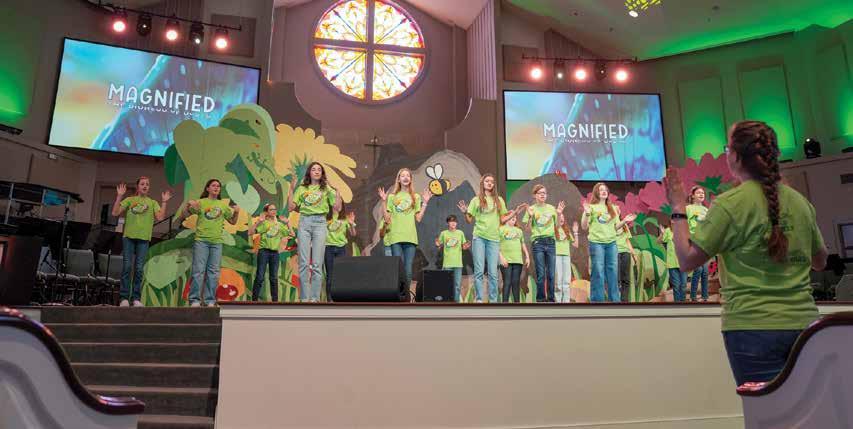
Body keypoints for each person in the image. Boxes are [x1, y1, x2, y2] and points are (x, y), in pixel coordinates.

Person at [665, 120, 828, 386]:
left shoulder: (730, 204)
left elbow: (686, 259)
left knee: (763, 409)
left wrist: (677, 206)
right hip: (806, 327)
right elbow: (820, 261)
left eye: (727, 148)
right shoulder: (800, 203)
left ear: (736, 156)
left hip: (752, 328)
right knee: (808, 409)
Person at [457, 174, 524, 303]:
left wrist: (515, 213)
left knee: (493, 272)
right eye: (487, 181)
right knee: (479, 271)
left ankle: (493, 301)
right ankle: (479, 299)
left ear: (494, 185)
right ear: (482, 183)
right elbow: (469, 220)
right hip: (479, 238)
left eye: (492, 182)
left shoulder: (499, 200)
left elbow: (502, 219)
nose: (489, 183)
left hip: (494, 239)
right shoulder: (476, 200)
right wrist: (465, 212)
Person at [112, 177, 171, 307]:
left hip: (144, 239)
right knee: (127, 267)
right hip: (129, 237)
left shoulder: (152, 202)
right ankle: (124, 298)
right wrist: (119, 196)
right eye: (142, 184)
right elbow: (115, 212)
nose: (145, 186)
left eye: (147, 184)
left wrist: (164, 202)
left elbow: (160, 217)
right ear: (137, 186)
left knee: (139, 269)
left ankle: (136, 298)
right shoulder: (130, 200)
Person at [288, 162, 341, 302]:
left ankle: (314, 299)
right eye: (313, 169)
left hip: (320, 223)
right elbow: (290, 207)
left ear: (322, 173)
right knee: (304, 263)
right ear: (309, 173)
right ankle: (304, 298)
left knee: (317, 264)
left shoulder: (326, 188)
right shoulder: (302, 188)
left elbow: (337, 208)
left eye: (319, 170)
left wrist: (336, 191)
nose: (316, 171)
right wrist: (291, 189)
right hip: (304, 222)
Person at [187, 179, 240, 307]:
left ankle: (210, 300)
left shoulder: (222, 205)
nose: (216, 188)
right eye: (213, 185)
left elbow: (233, 221)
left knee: (214, 273)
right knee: (198, 271)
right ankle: (194, 300)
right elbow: (186, 213)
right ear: (208, 188)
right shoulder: (201, 202)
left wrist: (237, 212)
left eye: (218, 186)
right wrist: (188, 205)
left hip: (216, 243)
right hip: (201, 241)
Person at [581, 183, 636, 302]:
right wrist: (587, 213)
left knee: (613, 272)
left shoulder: (613, 208)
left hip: (611, 243)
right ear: (596, 192)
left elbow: (615, 227)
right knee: (598, 271)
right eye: (601, 190)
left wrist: (624, 221)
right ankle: (598, 300)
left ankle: (615, 300)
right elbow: (584, 226)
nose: (604, 191)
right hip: (597, 243)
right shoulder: (591, 207)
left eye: (605, 190)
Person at [379, 168, 431, 288]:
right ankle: (398, 294)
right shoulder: (392, 197)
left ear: (411, 179)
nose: (406, 177)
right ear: (398, 179)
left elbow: (418, 218)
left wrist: (425, 203)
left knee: (408, 269)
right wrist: (383, 202)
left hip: (410, 236)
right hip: (395, 236)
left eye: (408, 175)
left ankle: (406, 296)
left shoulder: (415, 197)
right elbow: (387, 219)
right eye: (403, 176)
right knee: (398, 267)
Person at [522, 184, 563, 303]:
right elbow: (527, 229)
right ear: (534, 195)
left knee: (551, 274)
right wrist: (530, 216)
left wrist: (559, 214)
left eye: (544, 193)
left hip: (550, 242)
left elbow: (557, 226)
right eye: (540, 193)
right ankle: (540, 299)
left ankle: (551, 299)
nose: (542, 195)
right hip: (538, 242)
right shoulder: (531, 209)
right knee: (540, 273)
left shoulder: (551, 208)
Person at [248, 203, 291, 302]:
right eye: (271, 209)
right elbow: (250, 232)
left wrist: (288, 223)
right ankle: (254, 300)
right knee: (260, 276)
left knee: (274, 278)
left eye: (275, 209)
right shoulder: (264, 223)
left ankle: (275, 301)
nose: (274, 211)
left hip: (275, 253)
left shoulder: (279, 225)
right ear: (267, 212)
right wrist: (258, 222)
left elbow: (292, 233)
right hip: (264, 252)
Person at [435, 215, 470, 302]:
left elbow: (463, 246)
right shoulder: (444, 233)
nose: (453, 223)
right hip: (447, 264)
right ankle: (447, 302)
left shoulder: (460, 233)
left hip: (458, 264)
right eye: (451, 221)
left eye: (455, 221)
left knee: (457, 286)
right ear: (448, 223)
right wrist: (437, 244)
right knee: (446, 285)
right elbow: (439, 245)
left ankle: (456, 303)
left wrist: (466, 246)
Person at [325, 206, 356, 302]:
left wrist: (351, 224)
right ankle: (330, 299)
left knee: (340, 274)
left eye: (339, 202)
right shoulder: (326, 216)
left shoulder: (344, 218)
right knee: (330, 274)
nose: (337, 204)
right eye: (335, 201)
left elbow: (353, 234)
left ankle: (340, 299)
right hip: (328, 247)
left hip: (341, 248)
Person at [498, 216, 530, 303]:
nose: (514, 218)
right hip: (506, 261)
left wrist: (527, 256)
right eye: (512, 216)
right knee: (507, 282)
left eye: (515, 217)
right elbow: (496, 245)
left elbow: (523, 244)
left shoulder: (519, 231)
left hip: (517, 261)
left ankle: (517, 305)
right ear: (506, 218)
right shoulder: (500, 229)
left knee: (516, 283)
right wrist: (501, 258)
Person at [686, 186, 710, 302]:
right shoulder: (688, 208)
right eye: (699, 193)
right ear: (693, 196)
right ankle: (693, 296)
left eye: (703, 193)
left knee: (705, 271)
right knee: (698, 269)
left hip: (704, 242)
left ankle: (705, 296)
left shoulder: (706, 210)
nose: (701, 194)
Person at [554, 214, 579, 303]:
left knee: (566, 280)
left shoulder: (566, 230)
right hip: (557, 256)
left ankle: (566, 301)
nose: (561, 218)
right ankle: (558, 301)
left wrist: (575, 232)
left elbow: (576, 244)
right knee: (558, 280)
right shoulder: (553, 230)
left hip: (566, 257)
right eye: (560, 217)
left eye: (563, 217)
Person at [659, 222, 686, 302]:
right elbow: (659, 241)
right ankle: (677, 304)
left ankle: (683, 303)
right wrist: (662, 233)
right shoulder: (668, 231)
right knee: (676, 286)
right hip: (672, 263)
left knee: (683, 285)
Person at [616, 222, 639, 303]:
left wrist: (634, 255)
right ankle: (616, 300)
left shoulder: (624, 225)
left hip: (626, 252)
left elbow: (627, 241)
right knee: (617, 278)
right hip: (615, 252)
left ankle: (624, 301)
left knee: (626, 278)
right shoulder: (611, 223)